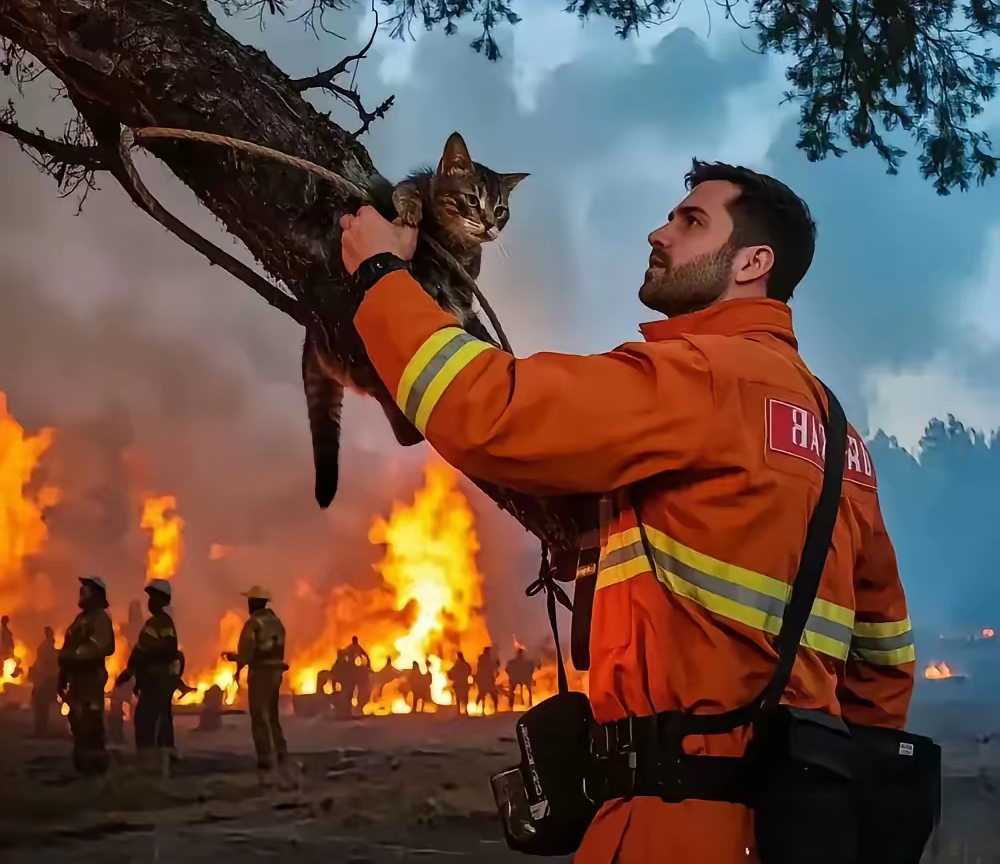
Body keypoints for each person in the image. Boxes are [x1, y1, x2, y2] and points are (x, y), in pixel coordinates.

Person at [339, 161, 914, 864]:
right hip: (789, 829)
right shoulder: (835, 437)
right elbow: (883, 662)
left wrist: (377, 277)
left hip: (670, 826)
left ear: (753, 262)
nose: (659, 231)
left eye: (690, 221)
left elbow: (485, 410)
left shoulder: (702, 375)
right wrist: (814, 783)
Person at [115, 578, 179, 769]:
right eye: (150, 597)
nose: (150, 601)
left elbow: (168, 649)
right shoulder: (153, 622)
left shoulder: (164, 622)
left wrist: (144, 659)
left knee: (149, 720)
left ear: (165, 600)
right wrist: (133, 673)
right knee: (149, 719)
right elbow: (141, 650)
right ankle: (156, 760)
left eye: (155, 597)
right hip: (151, 679)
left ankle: (153, 762)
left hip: (158, 680)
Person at [224, 586, 288, 771]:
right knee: (272, 715)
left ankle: (266, 758)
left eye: (250, 601)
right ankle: (280, 751)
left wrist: (234, 659)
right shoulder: (277, 623)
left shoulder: (253, 623)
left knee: (259, 716)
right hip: (276, 673)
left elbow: (247, 652)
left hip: (260, 673)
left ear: (254, 602)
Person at [58, 576, 116, 776]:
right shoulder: (80, 619)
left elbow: (102, 646)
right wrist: (63, 672)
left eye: (87, 590)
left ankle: (96, 770)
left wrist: (74, 655)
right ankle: (82, 766)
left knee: (91, 722)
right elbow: (68, 647)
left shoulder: (101, 618)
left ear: (97, 595)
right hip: (75, 679)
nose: (81, 593)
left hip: (91, 677)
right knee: (77, 721)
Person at [28, 626, 59, 737]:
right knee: (41, 705)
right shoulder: (46, 648)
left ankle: (41, 730)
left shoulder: (48, 648)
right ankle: (41, 730)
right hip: (44, 679)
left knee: (41, 705)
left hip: (46, 680)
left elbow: (50, 664)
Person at [474, 647, 500, 715]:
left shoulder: (481, 658)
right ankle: (495, 709)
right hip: (488, 680)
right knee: (494, 695)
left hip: (482, 679)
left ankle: (479, 708)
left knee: (481, 694)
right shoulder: (489, 659)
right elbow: (495, 666)